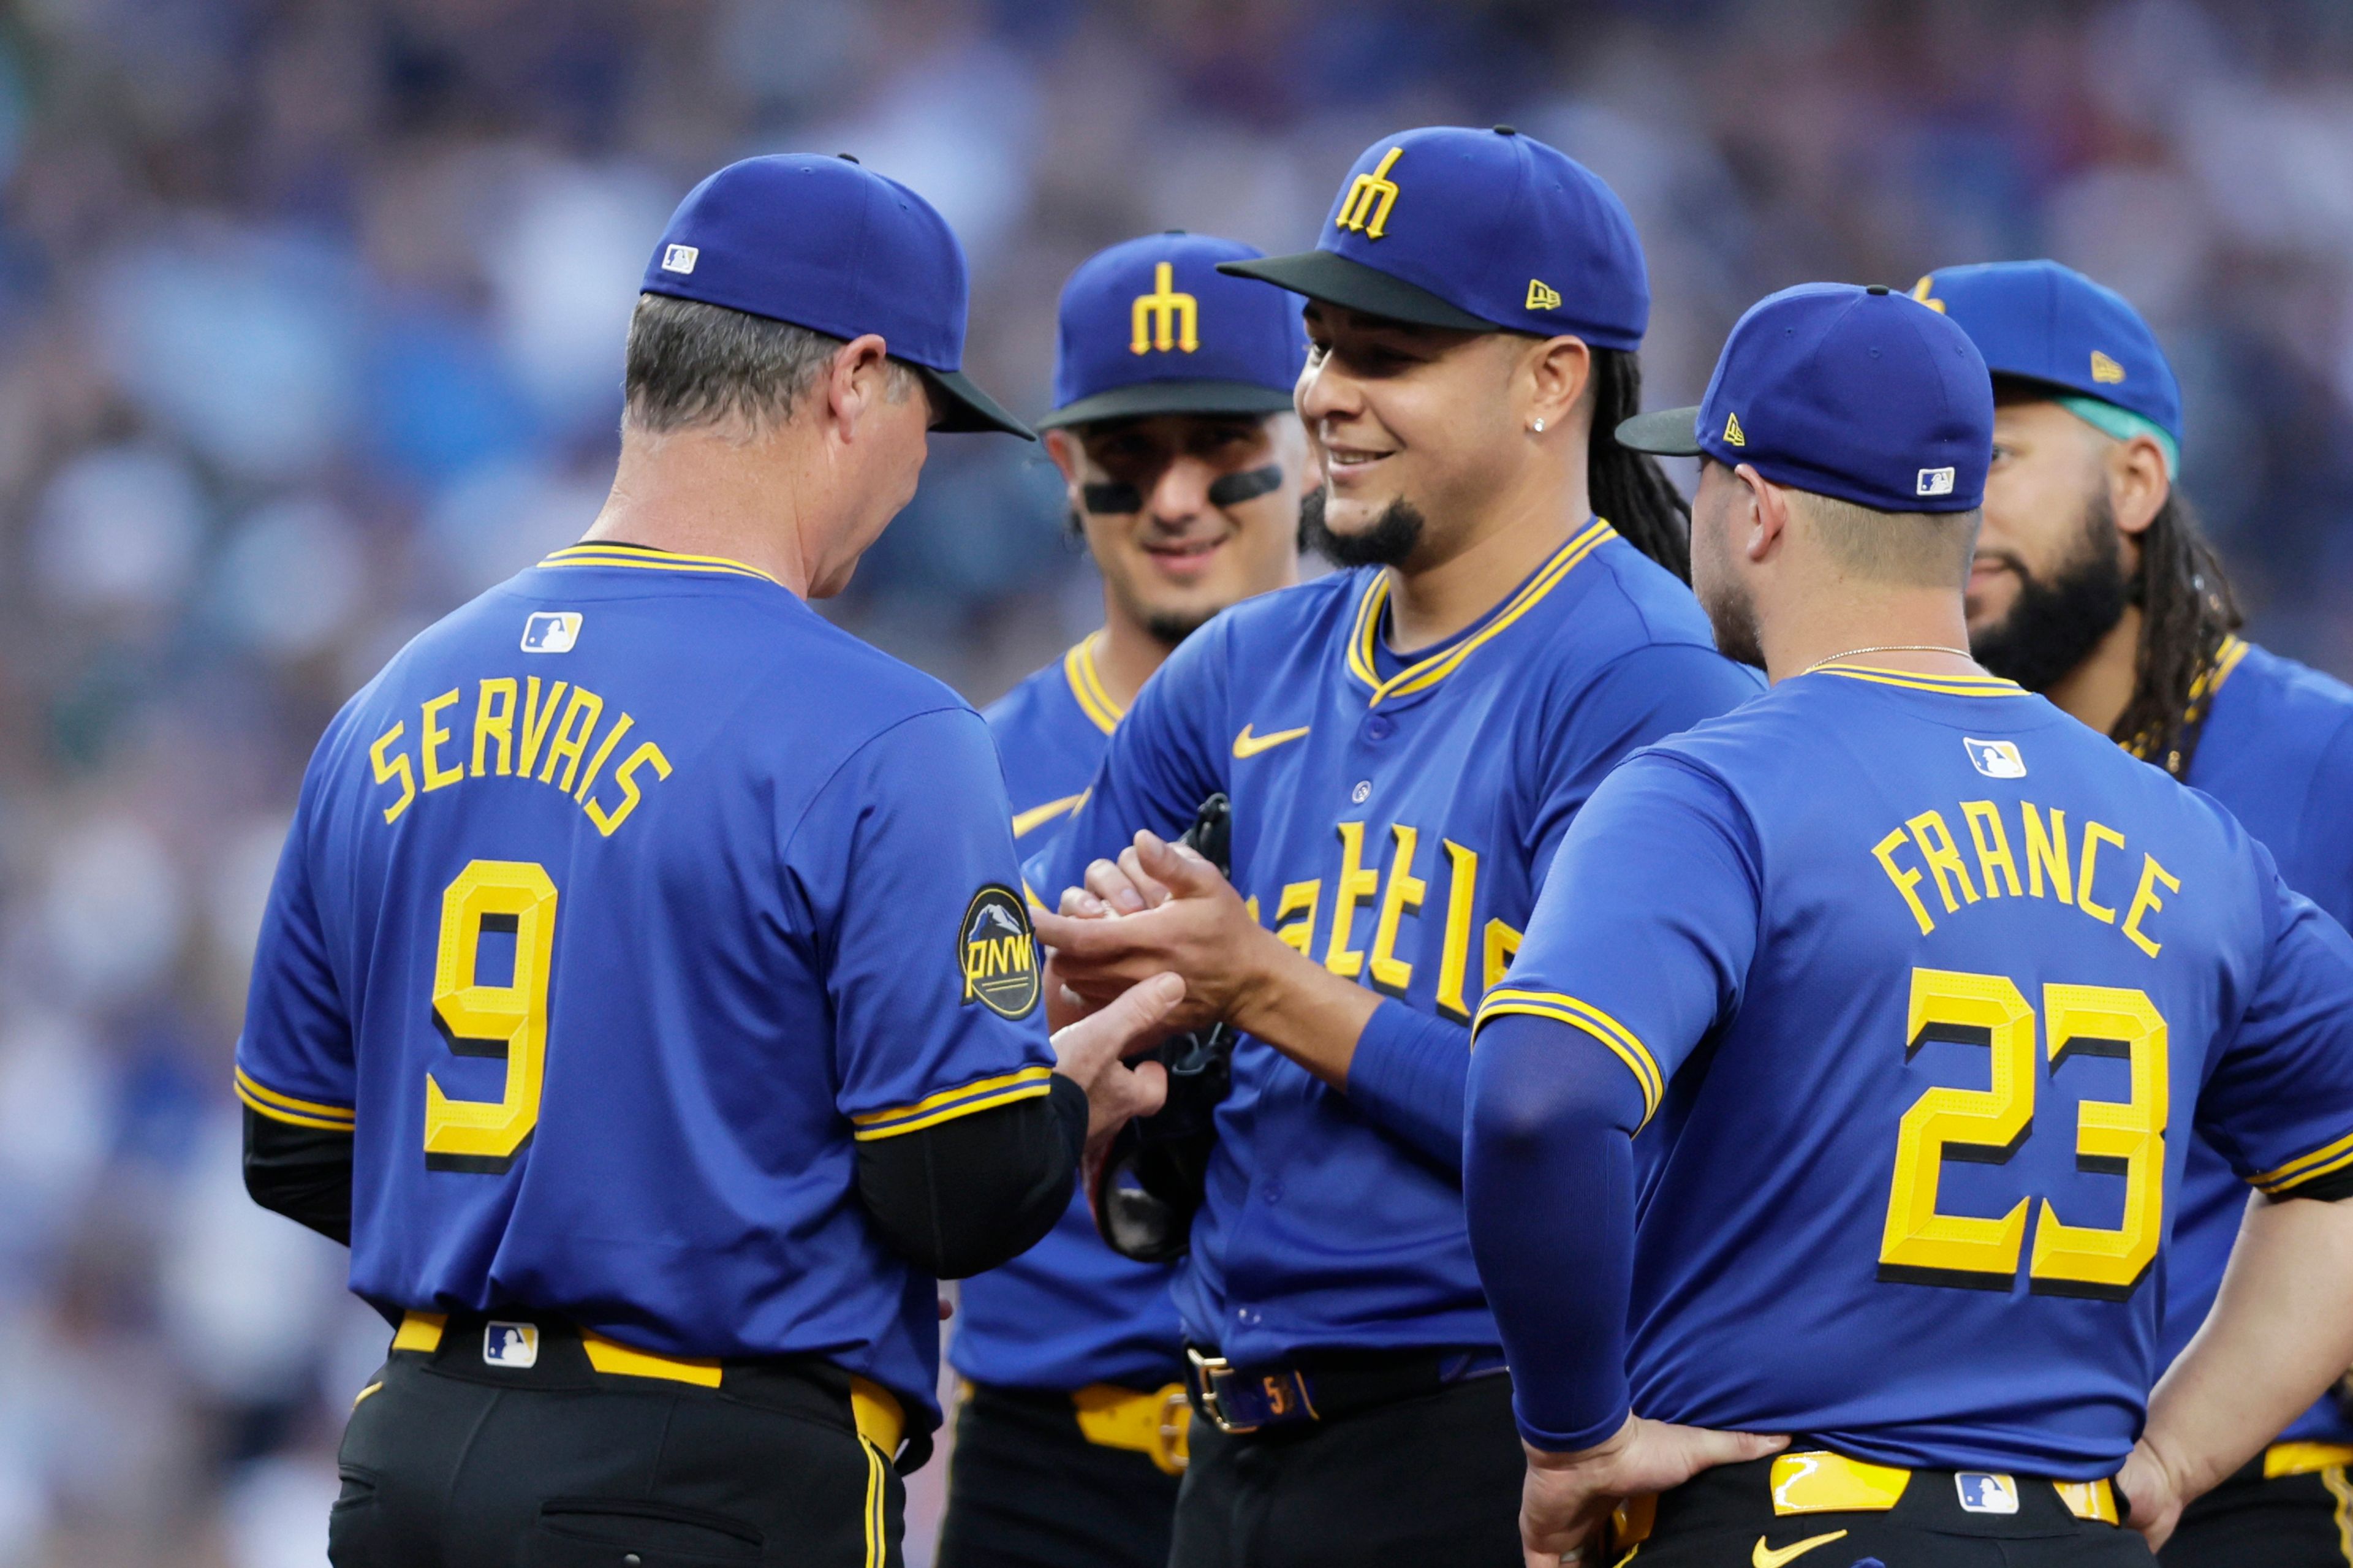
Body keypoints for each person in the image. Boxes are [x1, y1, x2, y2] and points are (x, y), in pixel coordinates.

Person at [232, 153, 1180, 1568]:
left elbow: (297, 1146)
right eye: (927, 409)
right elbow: (958, 1185)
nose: (922, 465)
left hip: (410, 1462)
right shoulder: (885, 725)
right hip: (704, 1478)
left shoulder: (391, 702)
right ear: (855, 379)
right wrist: (1051, 1098)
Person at [1463, 281, 2353, 1567]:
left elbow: (1538, 1098)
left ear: (1756, 506)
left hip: (1789, 1518)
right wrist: (2175, 1452)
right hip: (2076, 1535)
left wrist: (1571, 1436)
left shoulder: (1711, 788)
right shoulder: (2185, 831)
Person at [1029, 126, 1762, 1568]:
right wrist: (1098, 1053)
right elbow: (1058, 1019)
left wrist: (1259, 985)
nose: (1322, 396)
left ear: (1553, 378)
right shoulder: (1240, 668)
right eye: (1319, 344)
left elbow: (1602, 1130)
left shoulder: (1643, 671)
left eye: (1388, 353)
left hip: (1492, 1439)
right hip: (1232, 1445)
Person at [1914, 257, 2353, 1566]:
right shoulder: (1896, 757)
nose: (1946, 505)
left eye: (1994, 456)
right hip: (1947, 1474)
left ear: (2137, 483)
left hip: (2243, 1474)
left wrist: (2173, 1458)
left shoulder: (2319, 758)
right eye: (1922, 464)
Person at [937, 230, 1309, 1568]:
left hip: (1331, 1440)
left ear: (1309, 436)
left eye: (1218, 443)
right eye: (1127, 452)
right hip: (1051, 1457)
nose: (1175, 495)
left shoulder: (1414, 737)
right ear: (1060, 466)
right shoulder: (965, 768)